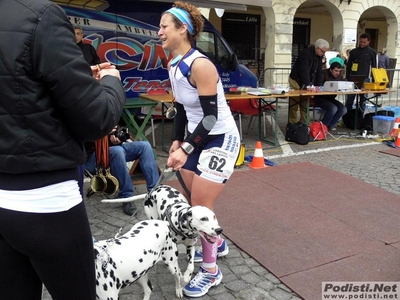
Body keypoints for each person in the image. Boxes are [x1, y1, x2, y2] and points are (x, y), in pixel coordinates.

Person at [0, 0, 126, 299]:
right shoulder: (40, 15)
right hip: (46, 202)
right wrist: (111, 83)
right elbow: (96, 119)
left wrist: (79, 77)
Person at [158, 1, 240, 297]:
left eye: (164, 26)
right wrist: (177, 141)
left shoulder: (200, 64)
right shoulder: (172, 64)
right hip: (198, 137)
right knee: (195, 199)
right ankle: (216, 242)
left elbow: (210, 116)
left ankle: (210, 270)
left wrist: (188, 146)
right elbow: (180, 107)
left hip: (220, 137)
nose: (159, 32)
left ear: (183, 29)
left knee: (200, 208)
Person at [84, 127, 159, 216]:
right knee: (117, 151)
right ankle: (126, 196)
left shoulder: (106, 114)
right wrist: (103, 132)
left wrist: (116, 137)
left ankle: (155, 192)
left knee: (145, 146)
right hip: (92, 157)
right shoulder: (85, 115)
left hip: (111, 148)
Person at [288, 39, 329, 124]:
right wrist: (307, 85)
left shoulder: (319, 55)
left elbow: (319, 71)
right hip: (296, 79)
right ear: (317, 48)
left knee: (305, 102)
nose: (323, 53)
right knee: (294, 102)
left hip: (306, 80)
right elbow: (304, 70)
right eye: (322, 51)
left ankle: (305, 123)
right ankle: (292, 123)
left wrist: (319, 85)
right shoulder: (305, 54)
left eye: (325, 52)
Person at [345, 33, 377, 111]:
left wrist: (374, 81)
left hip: (365, 79)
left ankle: (361, 119)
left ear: (368, 41)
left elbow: (374, 67)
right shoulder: (353, 52)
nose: (362, 44)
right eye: (361, 42)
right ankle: (347, 118)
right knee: (349, 100)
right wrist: (347, 78)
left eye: (364, 42)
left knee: (363, 101)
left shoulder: (372, 52)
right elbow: (348, 66)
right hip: (353, 78)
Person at [313, 58, 347, 131]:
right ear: (331, 69)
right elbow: (318, 85)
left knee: (343, 109)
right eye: (336, 71)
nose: (337, 73)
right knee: (333, 108)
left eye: (339, 71)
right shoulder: (323, 74)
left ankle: (329, 126)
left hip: (330, 99)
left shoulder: (339, 77)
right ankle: (322, 127)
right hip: (320, 98)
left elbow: (344, 82)